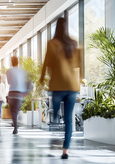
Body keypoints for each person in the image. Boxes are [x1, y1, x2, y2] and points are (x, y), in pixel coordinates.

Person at [39, 17, 82, 159]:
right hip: (71, 86)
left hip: (57, 85)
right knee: (69, 119)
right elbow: (79, 65)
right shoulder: (74, 44)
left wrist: (42, 77)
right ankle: (65, 150)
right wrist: (80, 80)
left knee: (55, 107)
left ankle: (56, 113)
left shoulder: (52, 44)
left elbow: (46, 62)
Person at [6, 56, 31, 135]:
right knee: (16, 110)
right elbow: (28, 81)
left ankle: (15, 127)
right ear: (18, 62)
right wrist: (27, 91)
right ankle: (17, 120)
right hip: (19, 94)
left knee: (12, 112)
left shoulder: (8, 71)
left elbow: (9, 82)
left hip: (12, 93)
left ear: (11, 62)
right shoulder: (22, 71)